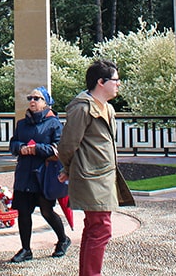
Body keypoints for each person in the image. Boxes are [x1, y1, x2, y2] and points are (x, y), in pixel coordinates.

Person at [57, 60, 135, 276]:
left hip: (103, 177)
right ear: (101, 82)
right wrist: (68, 168)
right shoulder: (82, 108)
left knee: (94, 228)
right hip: (91, 177)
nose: (118, 85)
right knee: (101, 228)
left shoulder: (107, 109)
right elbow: (67, 144)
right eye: (116, 80)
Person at [8, 86, 71, 263]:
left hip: (42, 175)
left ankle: (63, 239)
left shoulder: (54, 123)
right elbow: (12, 145)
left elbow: (58, 149)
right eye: (30, 98)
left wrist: (36, 149)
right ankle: (26, 249)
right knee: (24, 212)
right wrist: (20, 147)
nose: (32, 101)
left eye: (37, 98)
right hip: (24, 174)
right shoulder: (21, 123)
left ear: (46, 103)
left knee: (46, 210)